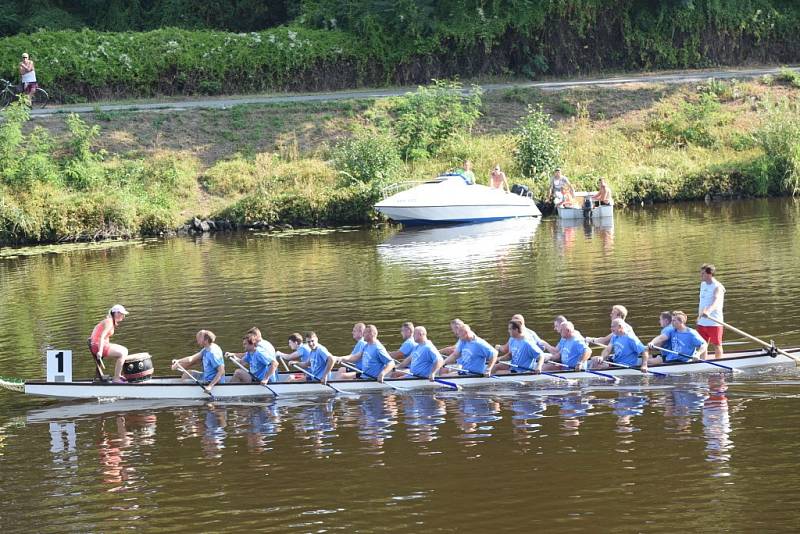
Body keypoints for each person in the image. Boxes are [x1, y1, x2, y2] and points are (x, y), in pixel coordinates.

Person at [89, 304, 130, 383]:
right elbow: (101, 336)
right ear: (116, 313)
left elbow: (103, 336)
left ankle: (118, 375)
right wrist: (100, 351)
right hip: (97, 346)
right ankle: (116, 379)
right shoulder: (109, 322)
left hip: (98, 344)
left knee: (125, 350)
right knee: (122, 353)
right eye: (122, 314)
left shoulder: (110, 321)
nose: (123, 316)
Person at [697, 263, 726, 359]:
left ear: (709, 274)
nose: (701, 276)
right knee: (702, 345)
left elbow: (715, 301)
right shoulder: (703, 284)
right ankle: (703, 364)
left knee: (716, 344)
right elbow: (702, 302)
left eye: (703, 274)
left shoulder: (718, 287)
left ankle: (718, 363)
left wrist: (708, 311)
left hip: (714, 321)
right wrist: (699, 316)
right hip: (702, 321)